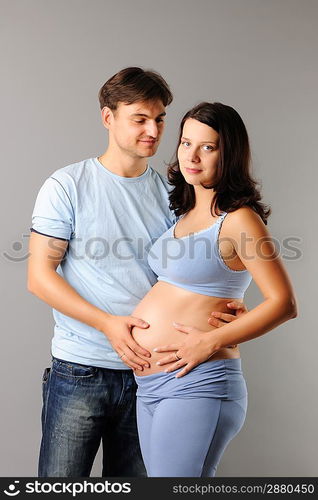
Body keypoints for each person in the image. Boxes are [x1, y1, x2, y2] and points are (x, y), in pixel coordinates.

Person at [27, 67, 246, 477]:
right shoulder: (67, 185)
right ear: (108, 118)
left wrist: (230, 312)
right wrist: (108, 324)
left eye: (160, 119)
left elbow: (198, 266)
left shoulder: (174, 194)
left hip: (154, 373)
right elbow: (39, 276)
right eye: (140, 118)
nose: (153, 130)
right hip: (82, 368)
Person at [130, 102, 298, 477]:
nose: (192, 155)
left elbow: (284, 303)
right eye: (186, 143)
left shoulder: (240, 220)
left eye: (208, 146)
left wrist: (211, 339)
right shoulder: (182, 214)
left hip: (199, 382)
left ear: (230, 153)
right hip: (152, 384)